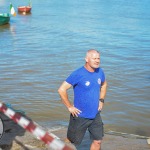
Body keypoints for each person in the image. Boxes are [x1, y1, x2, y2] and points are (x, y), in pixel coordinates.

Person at [58, 49, 107, 150]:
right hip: (80, 115)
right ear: (87, 59)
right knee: (73, 141)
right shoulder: (78, 74)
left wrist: (101, 100)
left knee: (98, 141)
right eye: (94, 58)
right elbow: (61, 90)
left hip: (95, 114)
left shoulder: (100, 72)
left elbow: (104, 84)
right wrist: (70, 107)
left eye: (98, 58)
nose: (97, 61)